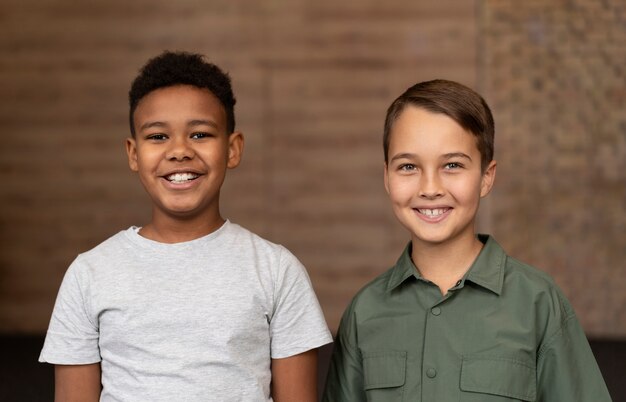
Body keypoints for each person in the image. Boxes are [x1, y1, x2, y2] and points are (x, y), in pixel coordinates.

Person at [39, 51, 332, 402]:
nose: (179, 151)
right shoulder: (89, 274)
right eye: (158, 137)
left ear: (233, 149)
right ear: (133, 154)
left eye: (200, 134)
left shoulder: (277, 270)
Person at [322, 79, 612, 401]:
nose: (429, 188)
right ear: (387, 178)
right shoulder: (365, 312)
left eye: (452, 165)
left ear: (486, 178)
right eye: (408, 166)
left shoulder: (538, 304)